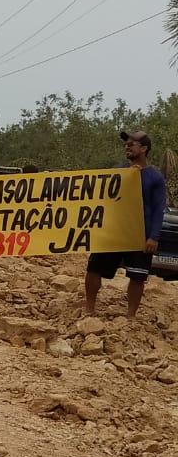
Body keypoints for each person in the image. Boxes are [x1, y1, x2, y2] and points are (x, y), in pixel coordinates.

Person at [83, 130, 167, 319]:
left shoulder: (155, 177)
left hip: (139, 234)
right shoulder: (117, 171)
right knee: (93, 268)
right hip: (113, 232)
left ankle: (130, 316)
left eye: (132, 144)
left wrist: (153, 236)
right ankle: (89, 310)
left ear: (144, 149)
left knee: (137, 276)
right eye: (126, 144)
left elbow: (158, 209)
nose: (127, 147)